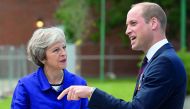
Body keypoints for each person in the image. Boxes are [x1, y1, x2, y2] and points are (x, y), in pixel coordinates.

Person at [57, 2, 187, 109]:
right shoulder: (155, 60)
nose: (127, 31)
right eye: (127, 25)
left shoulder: (165, 62)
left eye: (133, 23)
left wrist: (92, 92)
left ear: (153, 23)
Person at [11, 27, 89, 109]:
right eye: (56, 50)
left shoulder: (79, 83)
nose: (63, 53)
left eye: (64, 47)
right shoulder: (25, 86)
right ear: (42, 57)